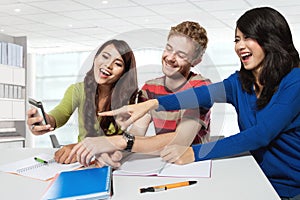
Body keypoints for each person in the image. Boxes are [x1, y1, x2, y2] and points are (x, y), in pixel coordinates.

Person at [97, 7, 300, 199]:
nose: (240, 46)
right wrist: (150, 105)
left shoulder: (295, 81)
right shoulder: (239, 83)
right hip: (255, 176)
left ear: (271, 40)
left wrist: (194, 153)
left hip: (289, 188)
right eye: (237, 39)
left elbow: (260, 134)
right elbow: (198, 95)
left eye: (248, 38)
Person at [69, 21, 211, 168]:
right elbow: (137, 132)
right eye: (169, 49)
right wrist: (116, 154)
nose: (170, 58)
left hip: (194, 165)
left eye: (181, 55)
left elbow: (181, 141)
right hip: (163, 163)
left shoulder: (201, 88)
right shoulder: (150, 88)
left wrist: (118, 141)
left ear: (196, 61)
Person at [27, 39, 138, 165]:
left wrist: (79, 147)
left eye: (118, 64)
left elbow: (134, 139)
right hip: (84, 162)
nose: (108, 65)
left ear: (125, 72)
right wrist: (44, 121)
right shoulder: (78, 90)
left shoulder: (132, 98)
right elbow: (60, 113)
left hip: (119, 162)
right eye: (105, 57)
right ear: (95, 58)